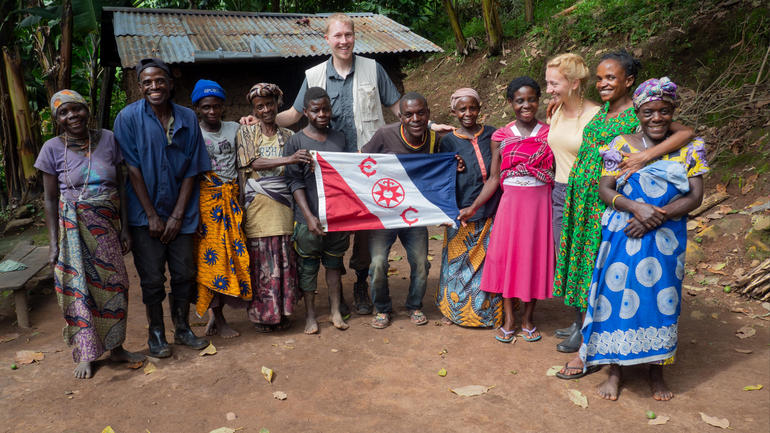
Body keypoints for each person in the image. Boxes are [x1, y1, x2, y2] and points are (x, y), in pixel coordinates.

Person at [241, 14, 453, 316]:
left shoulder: (373, 68)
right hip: (331, 169)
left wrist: (430, 125)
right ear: (327, 39)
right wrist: (263, 117)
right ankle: (335, 286)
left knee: (368, 227)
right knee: (334, 222)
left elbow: (398, 109)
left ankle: (361, 283)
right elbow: (293, 114)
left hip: (368, 165)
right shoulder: (313, 75)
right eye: (337, 36)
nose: (343, 41)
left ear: (354, 37)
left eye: (348, 35)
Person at [553, 49, 694, 367]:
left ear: (629, 81)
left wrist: (645, 156)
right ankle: (581, 324)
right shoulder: (603, 112)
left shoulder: (641, 112)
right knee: (579, 262)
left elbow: (686, 133)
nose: (602, 83)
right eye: (600, 78)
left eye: (611, 78)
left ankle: (593, 339)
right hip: (583, 198)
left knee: (597, 268)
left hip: (606, 201)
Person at [576, 77, 706, 401]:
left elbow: (696, 196)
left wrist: (655, 216)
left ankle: (656, 371)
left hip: (666, 238)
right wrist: (635, 207)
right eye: (649, 112)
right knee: (618, 299)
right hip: (624, 233)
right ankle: (615, 371)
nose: (657, 118)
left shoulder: (690, 147)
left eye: (664, 111)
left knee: (661, 300)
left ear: (673, 110)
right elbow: (604, 189)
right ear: (638, 112)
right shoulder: (621, 143)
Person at [37, 89, 145, 379]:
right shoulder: (51, 148)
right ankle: (86, 353)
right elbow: (49, 199)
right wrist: (52, 244)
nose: (72, 116)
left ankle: (117, 347)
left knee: (115, 286)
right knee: (79, 289)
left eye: (77, 109)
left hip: (107, 226)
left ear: (87, 110)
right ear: (57, 118)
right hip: (72, 231)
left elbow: (121, 186)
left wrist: (124, 228)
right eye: (64, 112)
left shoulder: (108, 138)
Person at [114, 57, 210, 357]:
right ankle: (157, 333)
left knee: (184, 273)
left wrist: (178, 216)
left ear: (170, 84)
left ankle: (182, 328)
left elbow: (193, 168)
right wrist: (153, 216)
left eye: (160, 81)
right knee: (152, 277)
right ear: (140, 87)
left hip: (182, 214)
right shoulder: (127, 118)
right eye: (147, 82)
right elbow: (133, 169)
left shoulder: (187, 118)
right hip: (146, 216)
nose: (154, 86)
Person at [468, 78, 555, 342]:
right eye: (520, 100)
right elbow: (494, 178)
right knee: (508, 258)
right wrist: (472, 207)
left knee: (534, 257)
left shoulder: (551, 132)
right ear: (510, 103)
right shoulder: (501, 136)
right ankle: (509, 318)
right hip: (511, 205)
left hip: (540, 204)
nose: (526, 105)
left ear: (539, 100)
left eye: (531, 99)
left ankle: (529, 319)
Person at [361, 92, 441, 329]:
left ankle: (414, 306)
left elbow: (440, 170)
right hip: (384, 212)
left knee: (421, 263)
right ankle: (383, 308)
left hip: (415, 214)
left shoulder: (435, 139)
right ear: (400, 116)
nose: (415, 118)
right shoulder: (385, 134)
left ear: (428, 113)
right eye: (409, 114)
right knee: (377, 264)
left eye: (420, 113)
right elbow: (361, 163)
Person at [283, 87, 356, 334]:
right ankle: (311, 316)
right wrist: (308, 215)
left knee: (334, 265)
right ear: (305, 112)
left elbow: (348, 176)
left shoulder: (340, 138)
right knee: (309, 268)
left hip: (337, 217)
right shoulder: (295, 142)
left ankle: (335, 311)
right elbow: (294, 182)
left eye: (326, 109)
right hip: (307, 219)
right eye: (316, 110)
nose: (322, 114)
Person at [236, 83, 307, 333]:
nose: (265, 109)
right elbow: (252, 162)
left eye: (269, 104)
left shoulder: (288, 136)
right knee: (261, 260)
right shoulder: (246, 133)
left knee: (284, 258)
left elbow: (296, 172)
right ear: (253, 109)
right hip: (258, 206)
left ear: (278, 104)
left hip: (284, 205)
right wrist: (289, 158)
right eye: (259, 106)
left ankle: (283, 313)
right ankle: (263, 316)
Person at [544, 54, 602, 343]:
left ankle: (588, 329)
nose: (548, 90)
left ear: (575, 83)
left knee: (586, 262)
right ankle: (578, 321)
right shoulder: (554, 110)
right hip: (559, 192)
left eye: (554, 83)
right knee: (566, 259)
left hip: (587, 196)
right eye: (547, 83)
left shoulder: (597, 115)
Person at [435, 88, 503, 328]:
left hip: (493, 208)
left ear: (480, 108)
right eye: (462, 109)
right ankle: (453, 310)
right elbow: (442, 176)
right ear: (454, 112)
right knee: (457, 263)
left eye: (472, 108)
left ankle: (489, 314)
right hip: (462, 210)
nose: (468, 113)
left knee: (491, 263)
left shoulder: (494, 134)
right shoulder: (448, 141)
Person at [191, 79, 252, 339]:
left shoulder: (235, 129)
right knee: (211, 262)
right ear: (198, 108)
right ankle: (219, 318)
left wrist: (243, 197)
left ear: (223, 106)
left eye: (217, 106)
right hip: (206, 203)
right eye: (206, 107)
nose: (212, 111)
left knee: (233, 258)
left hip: (232, 200)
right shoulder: (193, 132)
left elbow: (242, 164)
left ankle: (220, 315)